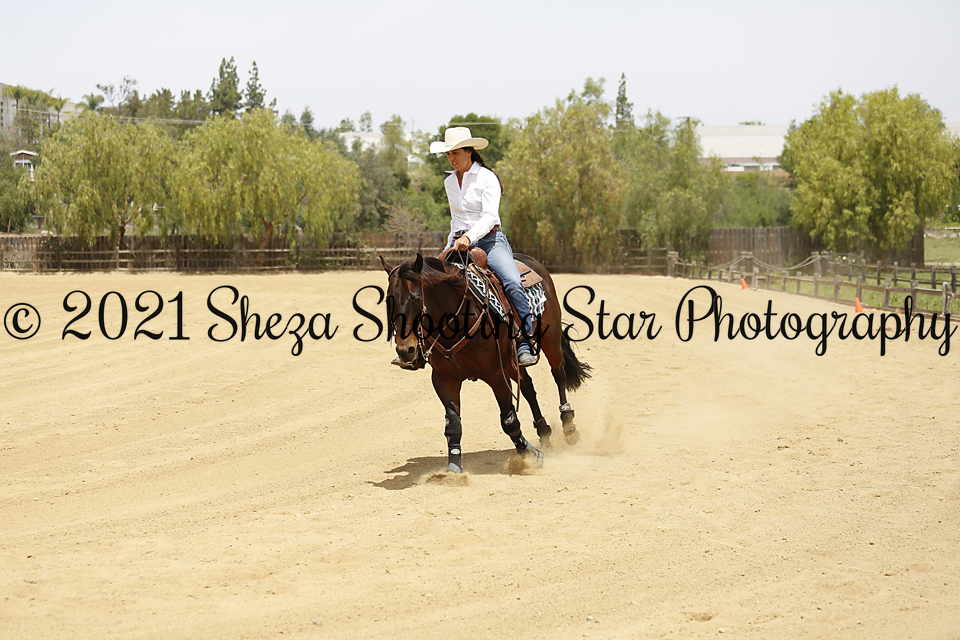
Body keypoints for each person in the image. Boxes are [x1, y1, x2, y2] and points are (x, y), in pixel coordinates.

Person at [429, 127, 537, 366]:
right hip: (458, 243)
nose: (451, 158)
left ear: (469, 151)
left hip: (489, 241)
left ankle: (525, 341)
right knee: (429, 283)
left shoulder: (487, 178)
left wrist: (469, 237)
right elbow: (455, 220)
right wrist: (448, 247)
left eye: (456, 152)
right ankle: (425, 342)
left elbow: (489, 217)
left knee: (512, 282)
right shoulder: (449, 182)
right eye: (448, 154)